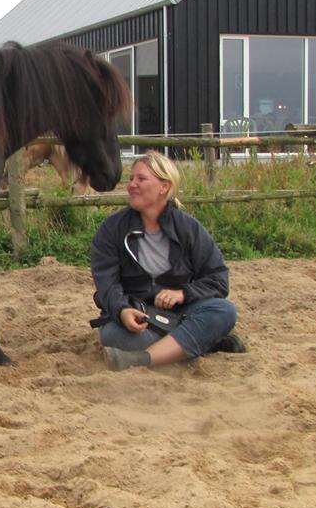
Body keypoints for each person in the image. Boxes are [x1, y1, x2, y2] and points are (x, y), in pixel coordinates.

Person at [90, 150, 245, 371]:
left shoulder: (189, 229)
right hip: (139, 315)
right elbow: (106, 285)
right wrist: (122, 311)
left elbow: (218, 280)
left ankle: (141, 359)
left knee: (224, 311)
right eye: (131, 178)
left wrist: (183, 293)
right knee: (113, 336)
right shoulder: (112, 229)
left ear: (164, 187)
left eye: (141, 179)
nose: (132, 184)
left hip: (180, 311)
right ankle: (200, 342)